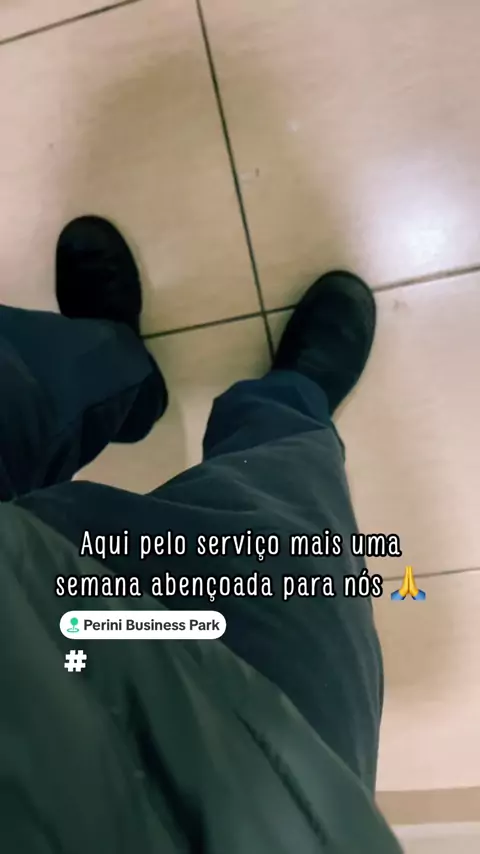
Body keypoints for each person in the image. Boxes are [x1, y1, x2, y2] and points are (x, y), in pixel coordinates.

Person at [0, 216, 402, 852]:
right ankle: (291, 403)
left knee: (20, 378)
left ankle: (116, 365)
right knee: (290, 540)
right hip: (252, 801)